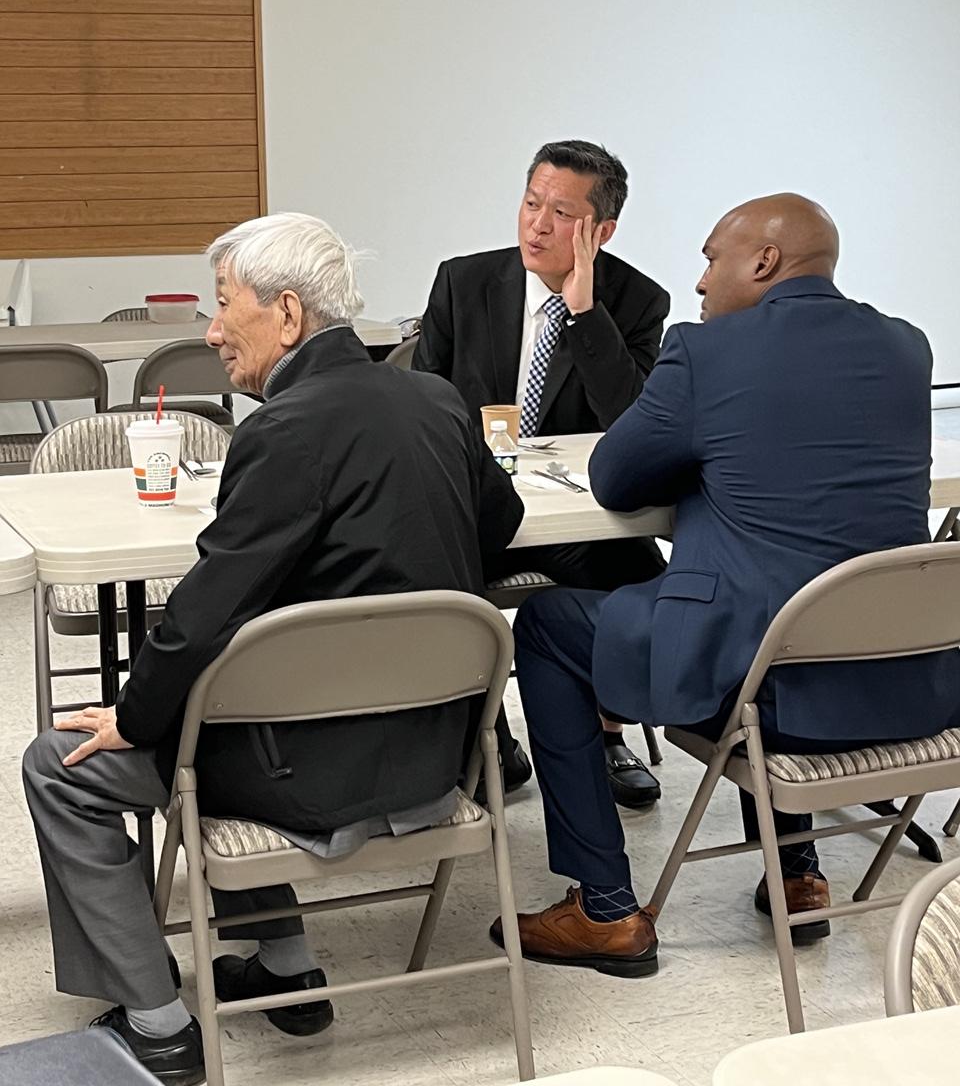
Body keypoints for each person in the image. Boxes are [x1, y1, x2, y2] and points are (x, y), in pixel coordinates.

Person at [23, 213, 524, 1085]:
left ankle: (158, 1027)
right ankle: (286, 970)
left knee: (64, 764)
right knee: (229, 705)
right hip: (437, 760)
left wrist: (133, 718)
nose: (212, 330)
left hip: (309, 776)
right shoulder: (436, 400)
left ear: (287, 315)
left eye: (224, 305)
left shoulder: (286, 429)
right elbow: (502, 522)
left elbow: (201, 616)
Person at [490, 193, 960, 977]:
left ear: (765, 261)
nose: (701, 282)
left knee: (546, 623)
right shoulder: (907, 348)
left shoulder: (706, 353)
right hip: (910, 686)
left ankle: (604, 909)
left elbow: (615, 478)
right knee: (778, 597)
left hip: (763, 694)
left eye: (711, 259)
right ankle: (797, 873)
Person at [414, 139, 670, 808]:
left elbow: (634, 423)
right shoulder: (464, 283)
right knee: (423, 566)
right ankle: (488, 735)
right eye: (532, 204)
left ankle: (606, 732)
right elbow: (422, 401)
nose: (537, 226)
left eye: (561, 214)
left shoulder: (637, 301)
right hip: (477, 510)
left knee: (640, 577)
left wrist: (585, 314)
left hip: (571, 518)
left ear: (601, 231)